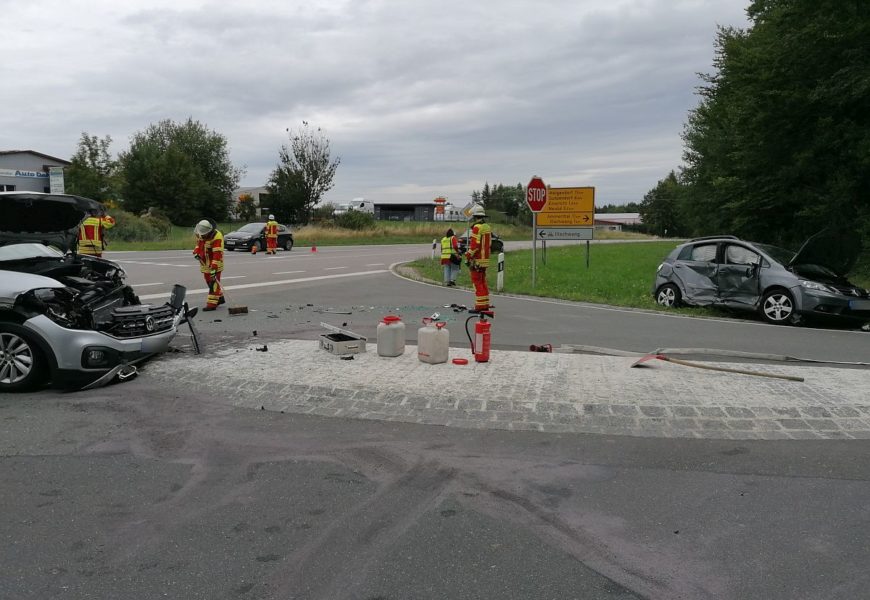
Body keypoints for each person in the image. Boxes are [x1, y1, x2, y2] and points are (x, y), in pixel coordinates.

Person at [464, 205, 492, 311]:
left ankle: (479, 306)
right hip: (485, 260)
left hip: (477, 260)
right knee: (482, 281)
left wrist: (468, 255)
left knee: (477, 282)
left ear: (475, 216)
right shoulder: (487, 227)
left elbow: (475, 246)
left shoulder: (477, 228)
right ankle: (485, 304)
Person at [193, 219, 225, 311]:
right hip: (205, 262)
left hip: (216, 263)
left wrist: (214, 268)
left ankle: (212, 304)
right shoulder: (201, 233)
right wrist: (196, 252)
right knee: (208, 280)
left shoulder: (217, 237)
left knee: (213, 283)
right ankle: (220, 298)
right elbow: (198, 245)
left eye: (203, 234)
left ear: (209, 231)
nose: (201, 236)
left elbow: (217, 253)